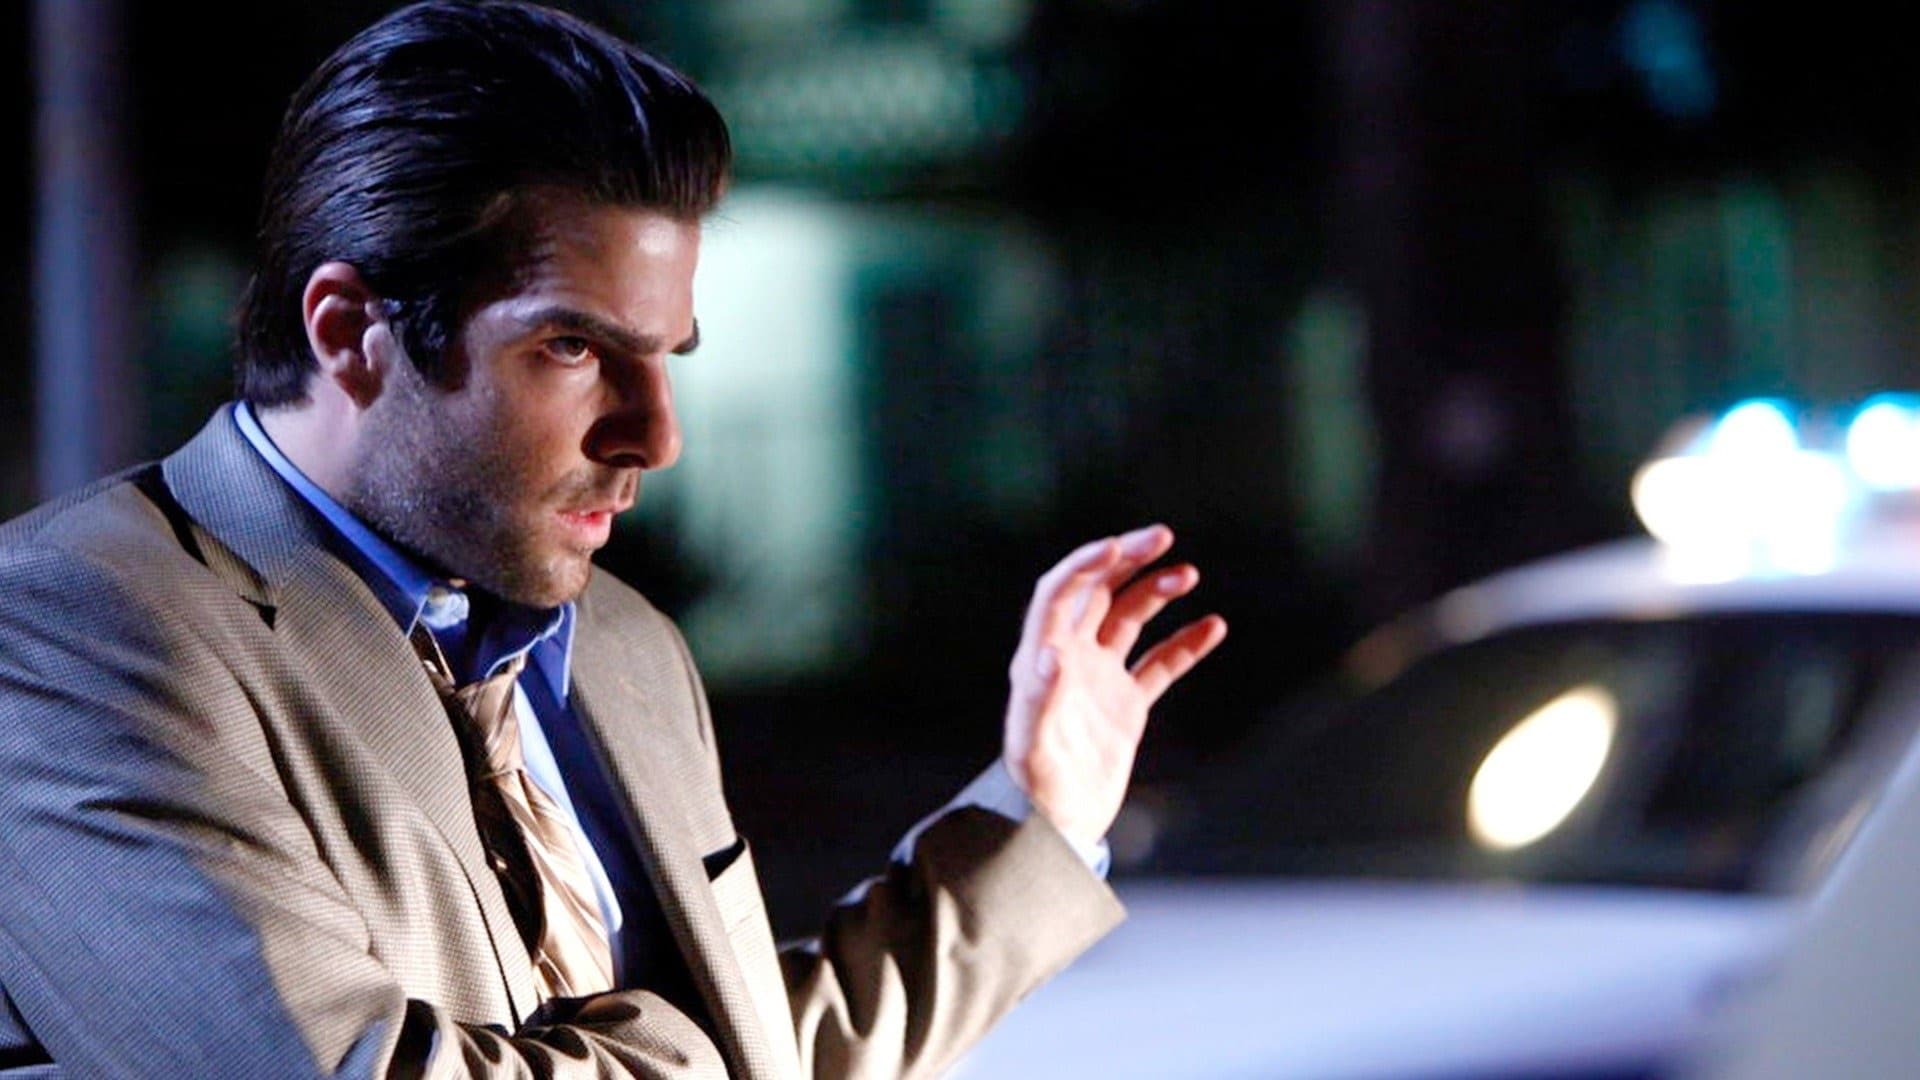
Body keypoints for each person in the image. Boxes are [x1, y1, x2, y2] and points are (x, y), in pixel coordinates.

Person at [0, 2, 1226, 1077]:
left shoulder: (622, 649)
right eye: (574, 348)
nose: (658, 435)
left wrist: (1038, 815)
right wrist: (704, 1047)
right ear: (349, 331)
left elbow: (776, 1051)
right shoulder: (69, 634)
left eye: (667, 355)